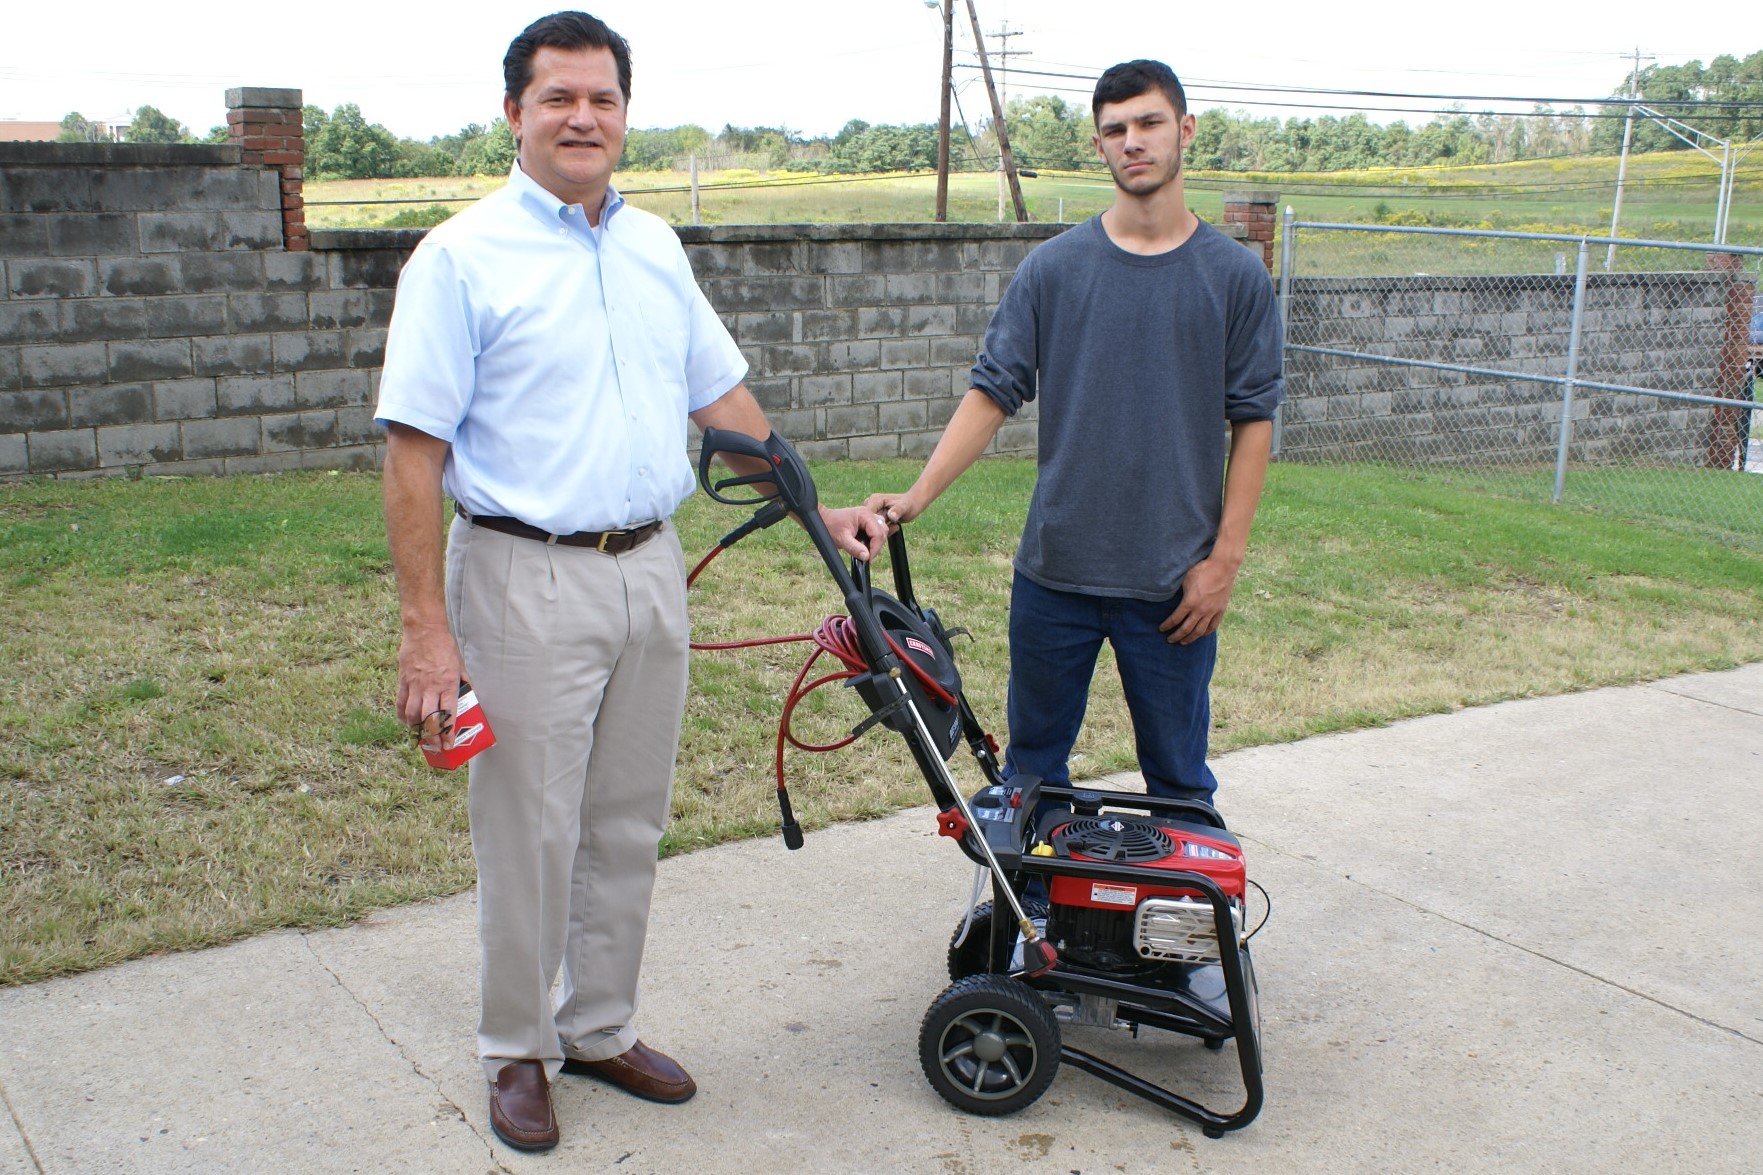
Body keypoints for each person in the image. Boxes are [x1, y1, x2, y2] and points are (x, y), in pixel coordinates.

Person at [375, 11, 883, 1153]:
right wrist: (425, 633)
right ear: (513, 112)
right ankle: (517, 1047)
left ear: (623, 115)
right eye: (557, 97)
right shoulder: (458, 258)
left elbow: (724, 403)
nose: (581, 117)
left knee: (624, 821)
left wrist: (818, 502)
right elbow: (413, 455)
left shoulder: (655, 246)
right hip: (519, 575)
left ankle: (598, 1024)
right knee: (529, 830)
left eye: (601, 98)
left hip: (648, 571)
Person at [866, 59, 1283, 819]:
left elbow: (1252, 419)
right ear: (1098, 146)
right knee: (1030, 779)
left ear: (1183, 130)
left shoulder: (1233, 278)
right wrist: (915, 496)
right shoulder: (1052, 270)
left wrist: (1222, 562)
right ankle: (1032, 928)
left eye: (1149, 123)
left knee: (1180, 786)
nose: (1133, 142)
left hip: (1173, 586)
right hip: (1055, 576)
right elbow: (992, 390)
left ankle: (1175, 932)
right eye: (1115, 130)